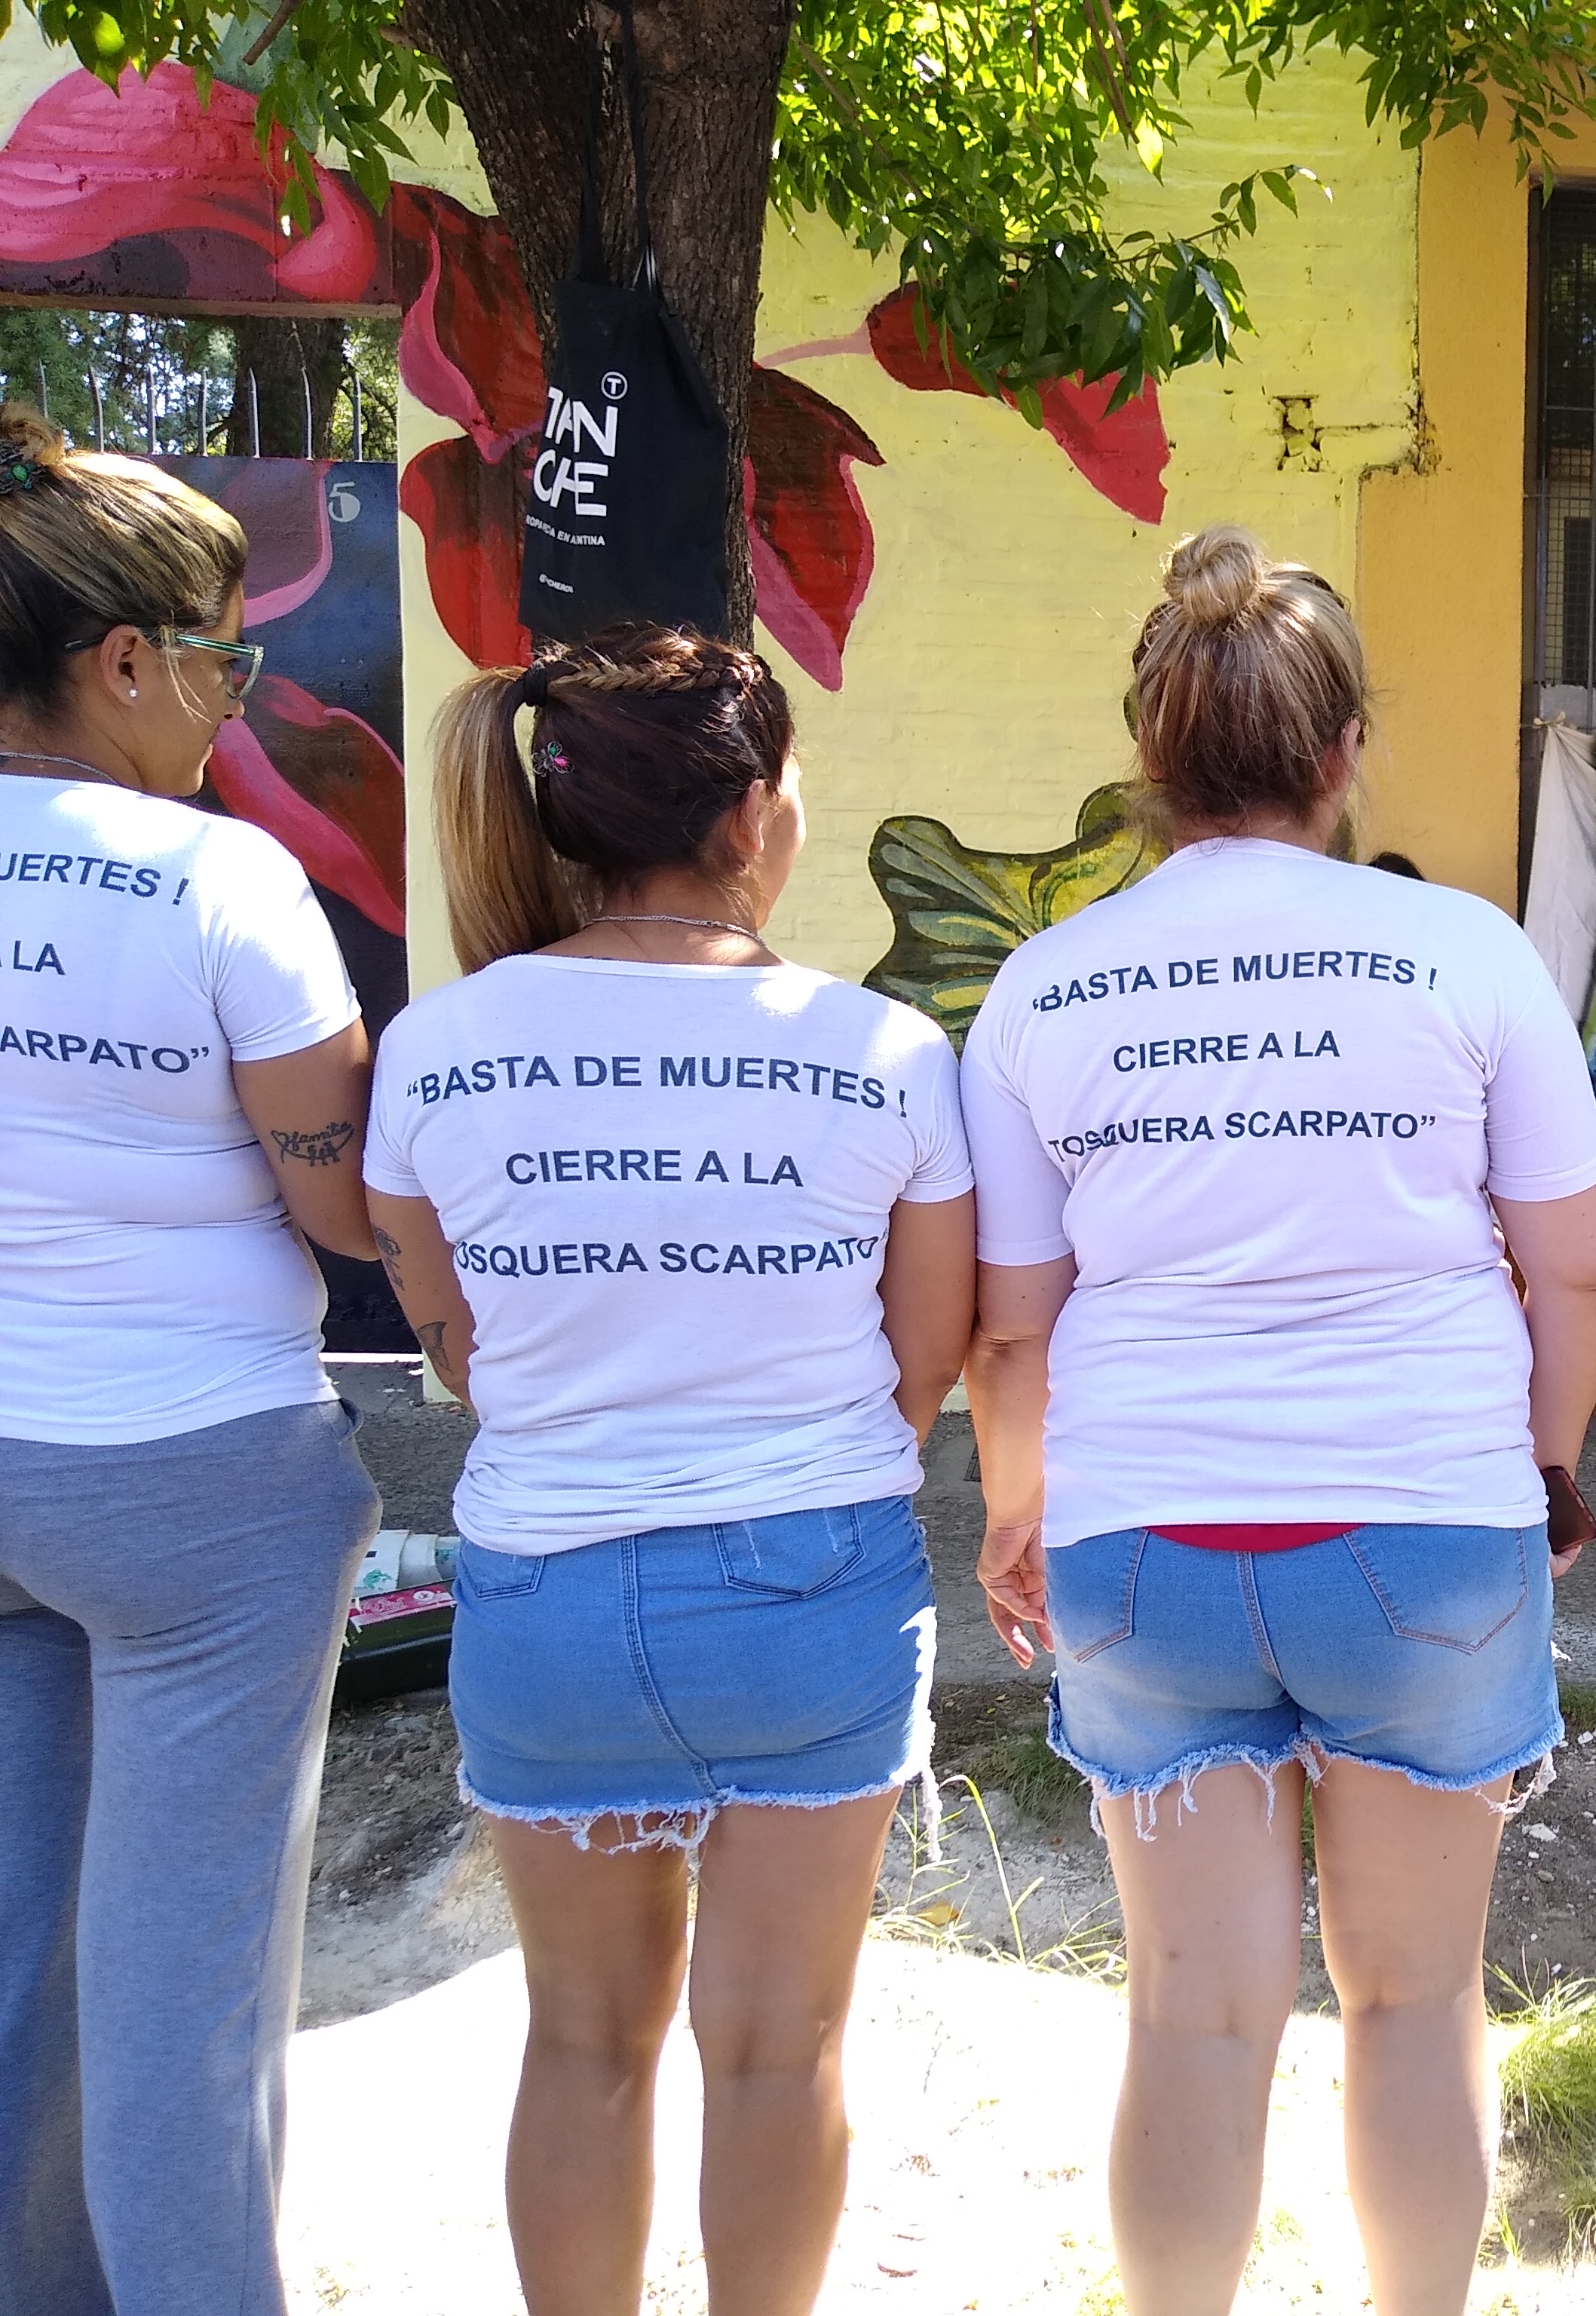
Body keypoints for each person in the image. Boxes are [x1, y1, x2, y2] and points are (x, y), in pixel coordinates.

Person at [961, 527, 1596, 2316]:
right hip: (1427, 1537)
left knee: (1190, 2014)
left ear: (1149, 756)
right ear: (1343, 752)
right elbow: (1578, 1273)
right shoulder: (1463, 954)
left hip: (1141, 1551)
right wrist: (1545, 1470)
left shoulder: (1041, 987)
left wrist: (1017, 1512)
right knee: (1415, 1997)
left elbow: (1012, 1326)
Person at [360, 626, 976, 2316]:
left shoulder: (434, 1047)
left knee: (579, 2043)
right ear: (753, 814)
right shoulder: (884, 1049)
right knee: (779, 2051)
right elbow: (926, 1359)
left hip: (542, 1598)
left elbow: (457, 1346)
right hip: (810, 1593)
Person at [0, 406, 384, 2316]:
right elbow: (347, 1212)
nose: (233, 705)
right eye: (223, 663)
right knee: (185, 2001)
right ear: (123, 661)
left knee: (19, 1951)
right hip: (194, 1484)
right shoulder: (214, 881)